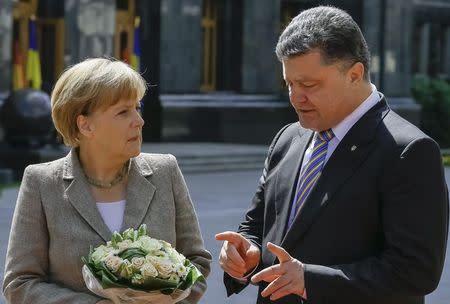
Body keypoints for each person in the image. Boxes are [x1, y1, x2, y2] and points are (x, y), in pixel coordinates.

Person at [216, 6, 448, 304]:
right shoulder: (288, 139)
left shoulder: (408, 151)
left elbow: (416, 271)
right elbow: (257, 225)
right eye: (289, 83)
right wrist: (245, 254)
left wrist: (309, 281)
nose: (296, 97)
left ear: (354, 74)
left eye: (309, 85)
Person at [2, 58, 211, 304]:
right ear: (85, 125)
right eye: (123, 112)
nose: (139, 121)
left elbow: (197, 263)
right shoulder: (41, 183)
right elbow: (20, 283)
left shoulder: (165, 171)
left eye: (138, 107)